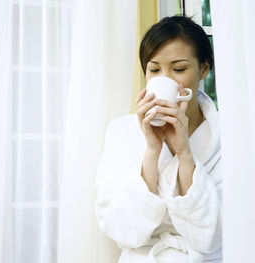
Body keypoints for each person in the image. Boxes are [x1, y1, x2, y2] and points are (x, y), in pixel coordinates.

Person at [95, 15, 222, 262]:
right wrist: (151, 150)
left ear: (204, 68)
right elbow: (119, 228)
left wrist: (185, 152)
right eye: (154, 70)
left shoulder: (227, 136)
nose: (166, 78)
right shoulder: (122, 131)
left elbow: (215, 235)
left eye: (179, 69)